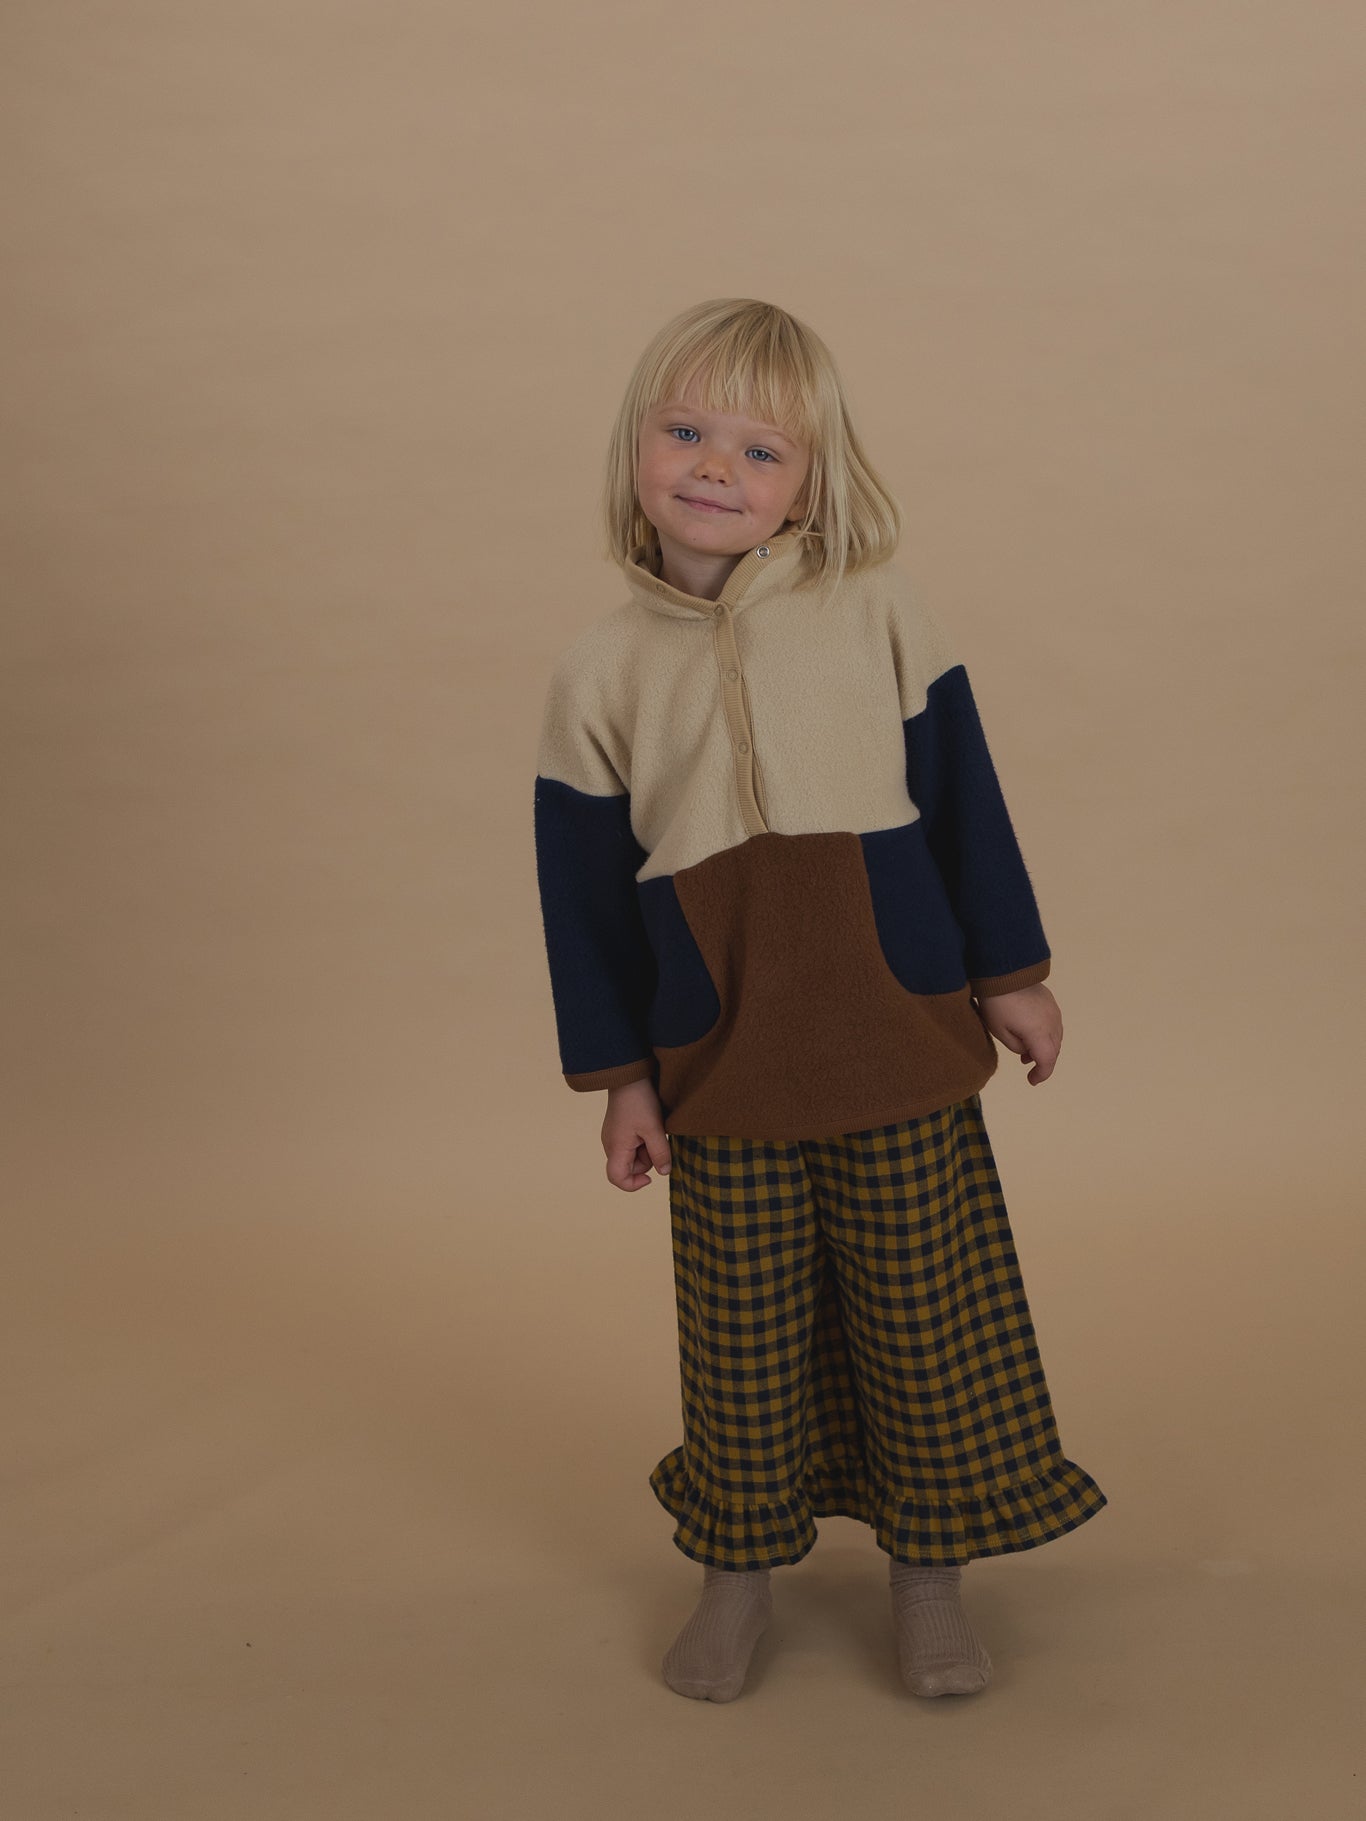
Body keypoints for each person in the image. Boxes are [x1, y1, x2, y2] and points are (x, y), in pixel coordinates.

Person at [532, 296, 1107, 1704]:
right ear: (636, 449)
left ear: (812, 480)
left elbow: (964, 800)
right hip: (719, 1064)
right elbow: (583, 899)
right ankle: (736, 1576)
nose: (715, 468)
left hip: (893, 1034)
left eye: (758, 448)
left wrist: (1010, 974)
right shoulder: (598, 671)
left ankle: (928, 1579)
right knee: (741, 1341)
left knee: (922, 1321)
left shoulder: (878, 609)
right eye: (685, 431)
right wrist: (620, 1074)